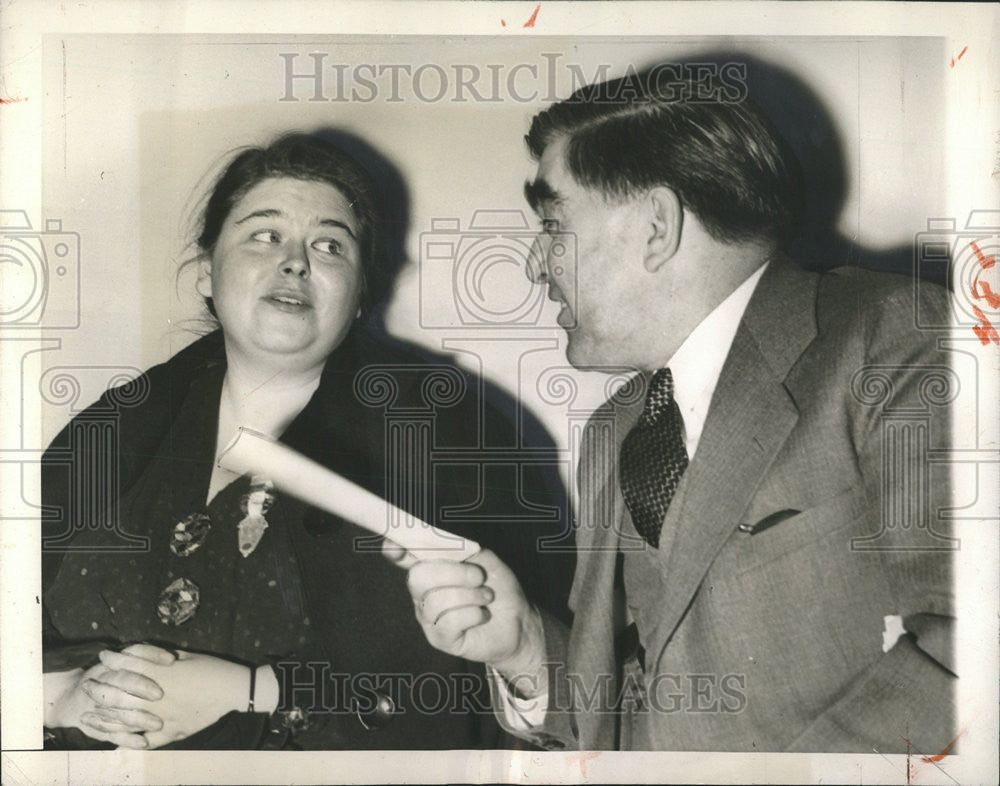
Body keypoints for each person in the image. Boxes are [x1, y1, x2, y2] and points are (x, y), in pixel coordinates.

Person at [389, 66, 956, 752]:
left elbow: (975, 650)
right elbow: (643, 720)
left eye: (553, 223)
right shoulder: (615, 434)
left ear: (656, 226)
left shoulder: (893, 338)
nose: (536, 266)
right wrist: (526, 650)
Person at [41, 132, 572, 750]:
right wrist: (62, 696)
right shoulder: (109, 433)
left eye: (329, 245)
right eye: (264, 235)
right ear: (206, 273)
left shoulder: (447, 435)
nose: (295, 261)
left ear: (356, 299)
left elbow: (488, 679)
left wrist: (251, 690)